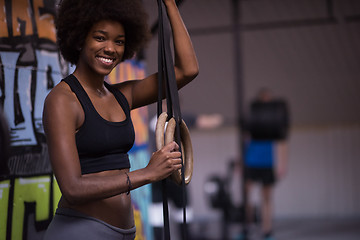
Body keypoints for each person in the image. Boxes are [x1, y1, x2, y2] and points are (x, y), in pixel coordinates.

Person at [42, 0, 198, 239]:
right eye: (100, 37)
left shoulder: (122, 95)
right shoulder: (62, 100)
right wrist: (147, 173)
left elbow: (187, 70)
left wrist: (169, 5)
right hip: (81, 231)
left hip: (124, 232)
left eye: (119, 41)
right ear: (80, 36)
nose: (110, 48)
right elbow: (72, 188)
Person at [240, 88, 289, 240]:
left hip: (267, 162)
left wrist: (282, 163)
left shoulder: (275, 121)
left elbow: (281, 143)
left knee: (266, 198)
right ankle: (246, 228)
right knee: (246, 196)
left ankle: (267, 231)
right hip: (251, 161)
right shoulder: (252, 120)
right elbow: (244, 141)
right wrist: (241, 162)